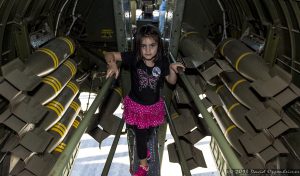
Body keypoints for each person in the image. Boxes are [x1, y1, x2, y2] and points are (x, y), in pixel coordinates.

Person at [105, 24, 184, 176]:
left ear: (158, 46)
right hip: (137, 106)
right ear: (138, 47)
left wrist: (173, 69)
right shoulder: (134, 58)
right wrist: (113, 64)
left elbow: (171, 81)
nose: (148, 50)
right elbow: (109, 54)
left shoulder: (162, 61)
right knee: (141, 136)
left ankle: (145, 151)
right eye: (144, 46)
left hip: (153, 107)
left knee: (148, 131)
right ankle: (143, 165)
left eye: (152, 45)